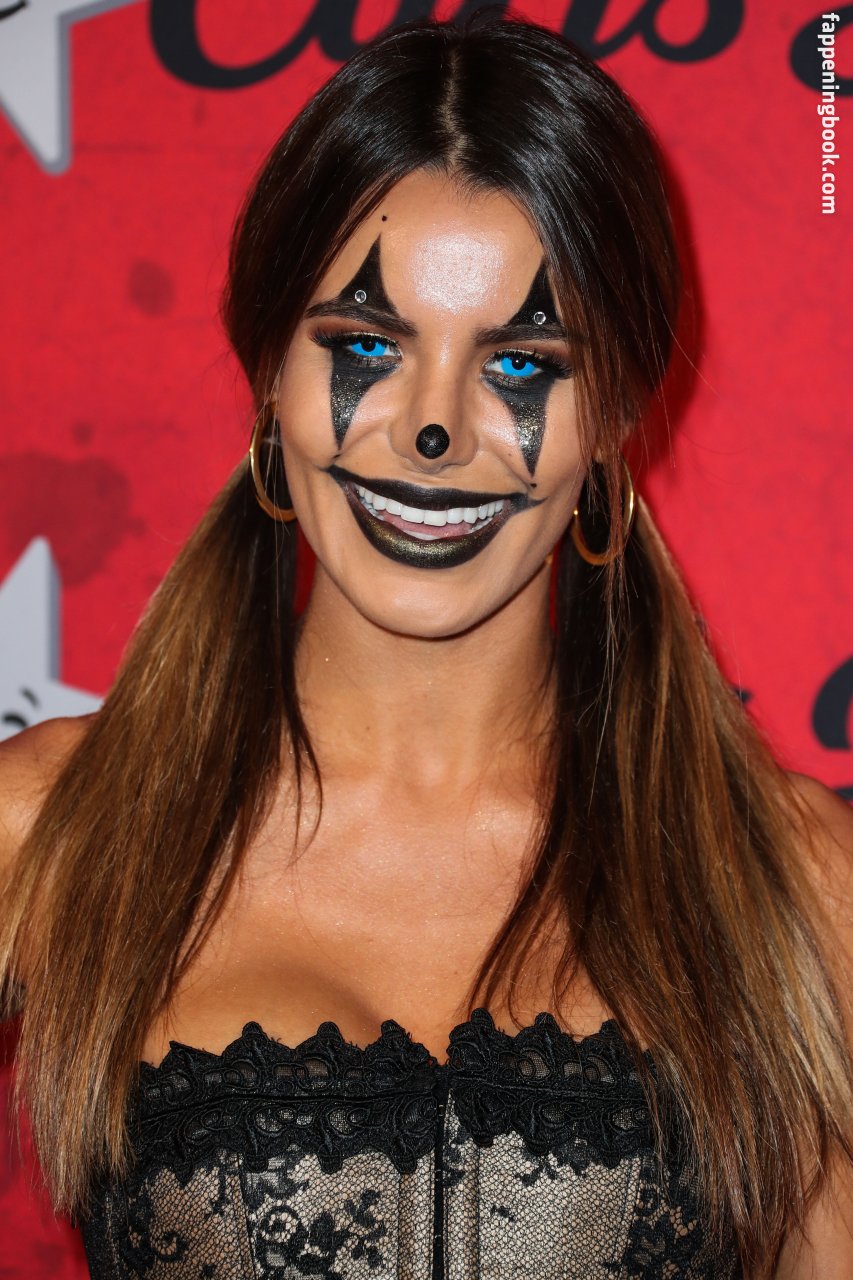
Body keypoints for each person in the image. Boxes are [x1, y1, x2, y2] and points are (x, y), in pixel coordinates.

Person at [1, 12, 851, 1279]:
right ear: (269, 371)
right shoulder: (43, 830)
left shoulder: (796, 882)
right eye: (365, 345)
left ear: (612, 410)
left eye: (522, 361)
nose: (434, 427)